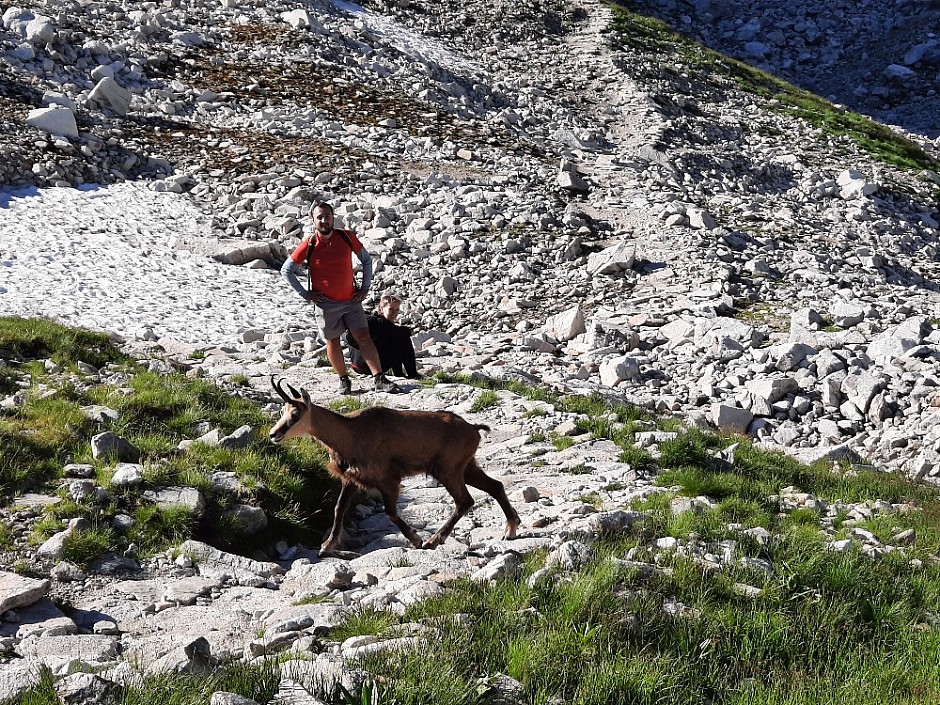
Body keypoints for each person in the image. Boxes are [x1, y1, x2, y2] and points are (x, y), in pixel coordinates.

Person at [280, 201, 399, 394]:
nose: (324, 220)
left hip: (351, 300)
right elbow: (287, 270)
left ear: (333, 217)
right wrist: (305, 294)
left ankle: (379, 378)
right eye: (319, 217)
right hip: (325, 304)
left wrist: (365, 287)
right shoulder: (309, 245)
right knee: (332, 341)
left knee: (364, 337)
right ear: (313, 220)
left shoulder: (346, 237)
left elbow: (367, 260)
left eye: (327, 216)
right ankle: (344, 380)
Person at [347, 294, 421, 380]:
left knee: (394, 337)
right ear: (382, 309)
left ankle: (400, 374)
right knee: (402, 339)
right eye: (391, 309)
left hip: (356, 366)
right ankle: (412, 374)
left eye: (397, 310)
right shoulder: (382, 323)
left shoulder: (367, 319)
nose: (394, 313)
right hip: (369, 368)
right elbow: (406, 332)